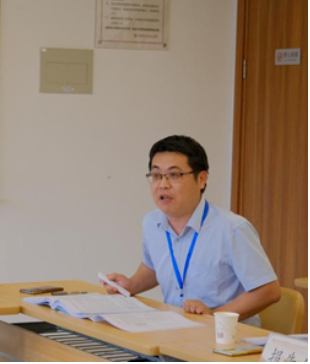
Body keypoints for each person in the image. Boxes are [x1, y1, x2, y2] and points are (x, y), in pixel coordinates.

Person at [101, 135, 280, 326]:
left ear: (201, 179)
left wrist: (214, 316)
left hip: (225, 336)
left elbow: (268, 291)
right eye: (156, 175)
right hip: (174, 329)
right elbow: (154, 266)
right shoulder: (152, 222)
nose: (163, 184)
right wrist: (131, 285)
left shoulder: (232, 229)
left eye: (174, 175)